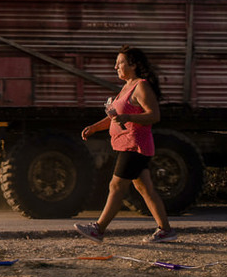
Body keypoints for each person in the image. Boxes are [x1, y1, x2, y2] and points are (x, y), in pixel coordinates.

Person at [75, 45, 177, 244]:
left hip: (135, 146)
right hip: (126, 144)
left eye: (120, 63)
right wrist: (94, 128)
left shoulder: (141, 86)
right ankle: (166, 230)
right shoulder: (127, 87)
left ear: (133, 64)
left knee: (116, 186)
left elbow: (154, 115)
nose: (116, 67)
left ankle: (98, 229)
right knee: (145, 189)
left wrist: (129, 117)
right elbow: (115, 117)